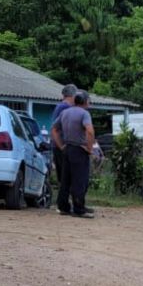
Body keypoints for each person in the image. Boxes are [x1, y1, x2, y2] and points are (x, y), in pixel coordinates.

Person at [51, 90, 95, 218]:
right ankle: (79, 209)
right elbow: (90, 131)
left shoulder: (65, 112)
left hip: (67, 149)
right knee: (79, 180)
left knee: (66, 179)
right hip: (79, 150)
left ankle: (63, 207)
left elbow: (54, 129)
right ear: (86, 101)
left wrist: (61, 145)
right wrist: (89, 148)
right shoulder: (84, 114)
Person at [51, 84, 77, 192]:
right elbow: (56, 128)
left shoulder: (61, 107)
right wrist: (62, 146)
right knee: (66, 176)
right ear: (73, 95)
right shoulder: (65, 108)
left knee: (64, 176)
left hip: (59, 145)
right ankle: (65, 201)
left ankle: (64, 201)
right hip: (62, 145)